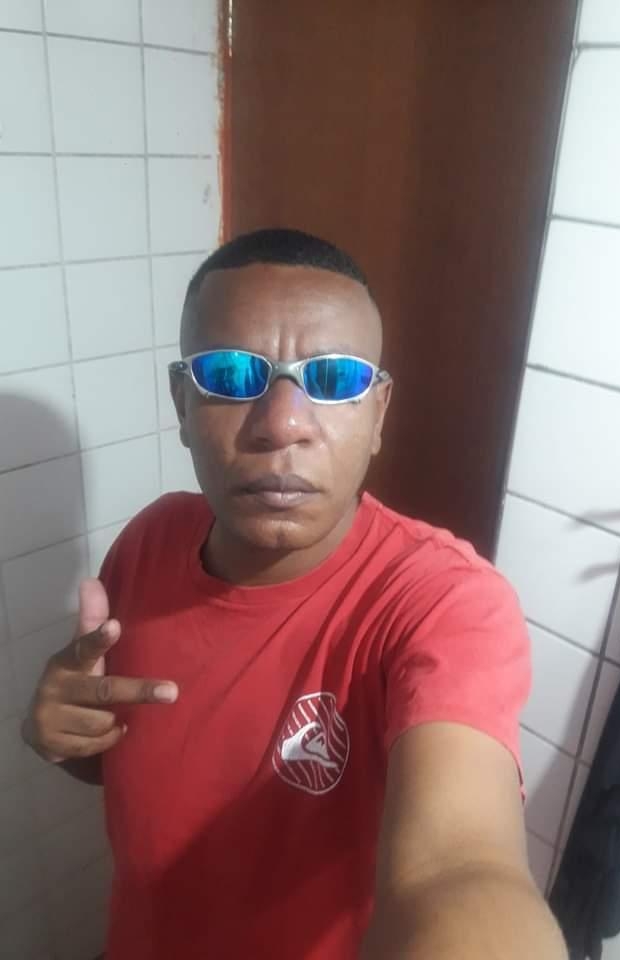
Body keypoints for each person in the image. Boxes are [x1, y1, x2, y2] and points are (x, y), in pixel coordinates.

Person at [23, 229, 566, 959]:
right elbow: (128, 767)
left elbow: (460, 868)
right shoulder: (149, 542)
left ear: (377, 413)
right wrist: (67, 737)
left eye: (334, 379)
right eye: (230, 374)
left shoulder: (442, 604)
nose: (282, 425)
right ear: (182, 402)